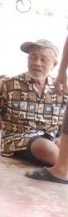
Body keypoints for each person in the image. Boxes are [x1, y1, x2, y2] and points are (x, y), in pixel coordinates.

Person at [26, 30, 68, 184]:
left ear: (54, 64)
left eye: (43, 59)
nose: (37, 63)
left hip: (52, 138)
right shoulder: (9, 84)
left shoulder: (60, 89)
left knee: (52, 146)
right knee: (46, 147)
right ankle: (63, 166)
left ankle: (63, 165)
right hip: (25, 138)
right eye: (32, 57)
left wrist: (60, 137)